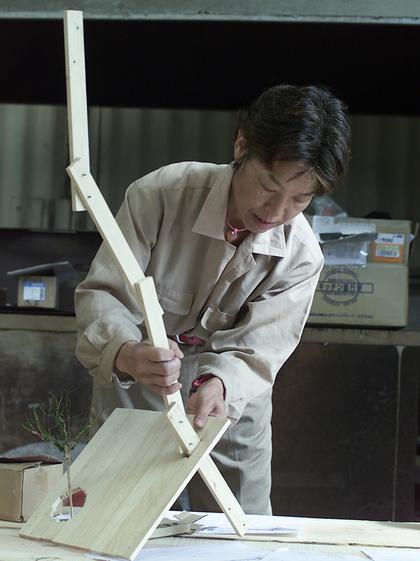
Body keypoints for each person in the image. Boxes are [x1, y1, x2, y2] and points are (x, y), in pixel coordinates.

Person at [75, 84, 351, 515]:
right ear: (242, 145)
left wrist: (220, 382)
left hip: (231, 391)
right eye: (268, 185)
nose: (276, 211)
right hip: (141, 373)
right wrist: (127, 353)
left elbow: (260, 346)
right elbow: (107, 293)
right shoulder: (161, 195)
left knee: (240, 516)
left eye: (300, 199)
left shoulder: (301, 256)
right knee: (119, 509)